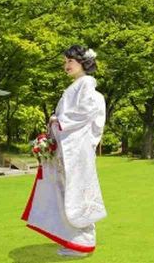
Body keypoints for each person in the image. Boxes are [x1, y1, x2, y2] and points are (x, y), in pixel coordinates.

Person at [22, 45, 108, 257]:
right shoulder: (77, 85)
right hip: (70, 149)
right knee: (69, 192)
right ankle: (75, 241)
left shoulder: (86, 83)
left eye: (70, 61)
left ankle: (82, 243)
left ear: (83, 63)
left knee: (75, 193)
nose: (66, 65)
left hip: (75, 151)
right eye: (65, 61)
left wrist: (58, 121)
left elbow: (85, 112)